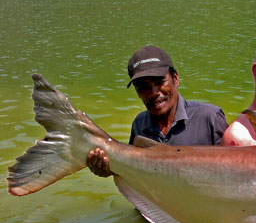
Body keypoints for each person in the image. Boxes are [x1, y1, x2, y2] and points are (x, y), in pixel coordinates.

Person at [87, 45, 228, 177]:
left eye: (160, 81)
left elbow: (232, 172)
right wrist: (111, 170)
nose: (154, 92)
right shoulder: (139, 124)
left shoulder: (209, 118)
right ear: (137, 91)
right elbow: (136, 172)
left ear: (176, 79)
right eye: (143, 87)